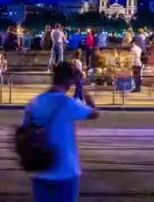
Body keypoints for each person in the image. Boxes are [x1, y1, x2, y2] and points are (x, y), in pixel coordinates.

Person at [22, 61, 99, 202]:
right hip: (65, 171)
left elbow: (25, 128)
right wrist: (87, 96)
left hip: (39, 169)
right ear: (70, 81)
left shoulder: (34, 102)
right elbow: (94, 114)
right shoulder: (68, 103)